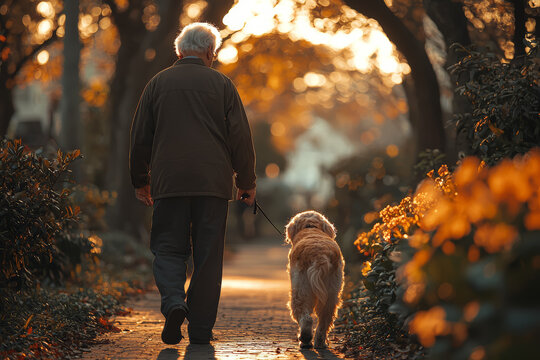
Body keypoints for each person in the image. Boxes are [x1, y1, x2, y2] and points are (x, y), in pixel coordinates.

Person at [129, 22, 256, 345]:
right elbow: (239, 136)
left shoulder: (157, 84)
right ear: (210, 52)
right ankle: (200, 330)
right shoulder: (222, 85)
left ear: (180, 51)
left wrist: (141, 180)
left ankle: (173, 302)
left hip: (169, 182)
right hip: (212, 184)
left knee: (168, 249)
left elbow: (140, 137)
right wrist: (246, 181)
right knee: (208, 256)